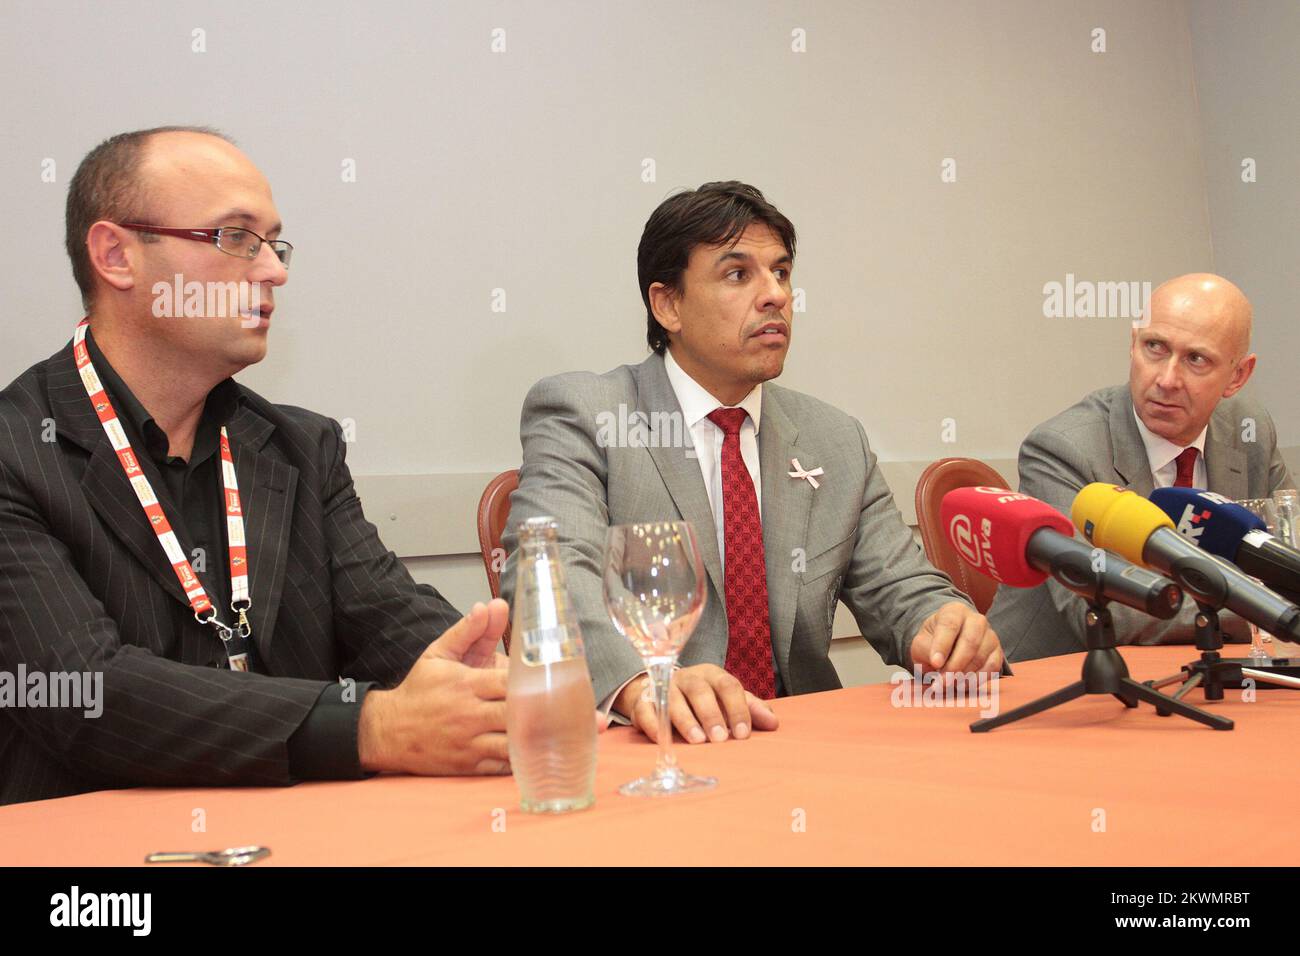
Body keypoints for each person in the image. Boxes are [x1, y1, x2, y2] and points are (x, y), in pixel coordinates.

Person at [0, 127, 511, 805]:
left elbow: (391, 623)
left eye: (274, 243)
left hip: (297, 835)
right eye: (235, 237)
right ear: (116, 255)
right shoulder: (18, 448)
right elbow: (86, 691)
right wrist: (372, 727)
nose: (274, 270)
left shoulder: (299, 447)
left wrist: (509, 685)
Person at [500, 181, 1003, 747]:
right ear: (667, 304)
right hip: (653, 748)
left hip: (803, 741)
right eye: (738, 275)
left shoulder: (833, 440)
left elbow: (901, 589)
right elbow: (549, 582)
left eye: (781, 273)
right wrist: (643, 686)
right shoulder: (587, 415)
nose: (776, 296)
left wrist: (940, 626)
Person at [987, 273, 1294, 662]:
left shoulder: (1248, 430)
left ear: (1238, 376)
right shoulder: (1063, 448)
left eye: (1196, 359)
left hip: (1203, 672)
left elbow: (1286, 550)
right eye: (1155, 347)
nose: (1166, 379)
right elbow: (1111, 607)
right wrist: (1269, 611)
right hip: (1060, 687)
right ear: (1133, 344)